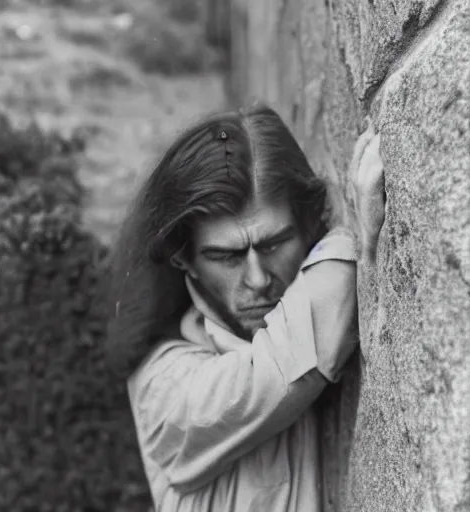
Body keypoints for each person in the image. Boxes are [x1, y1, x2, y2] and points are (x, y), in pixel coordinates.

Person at [106, 103, 385, 511]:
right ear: (184, 259)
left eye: (274, 244)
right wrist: (356, 240)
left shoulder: (303, 304)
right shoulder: (161, 384)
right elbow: (279, 369)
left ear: (307, 226)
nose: (257, 278)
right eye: (227, 257)